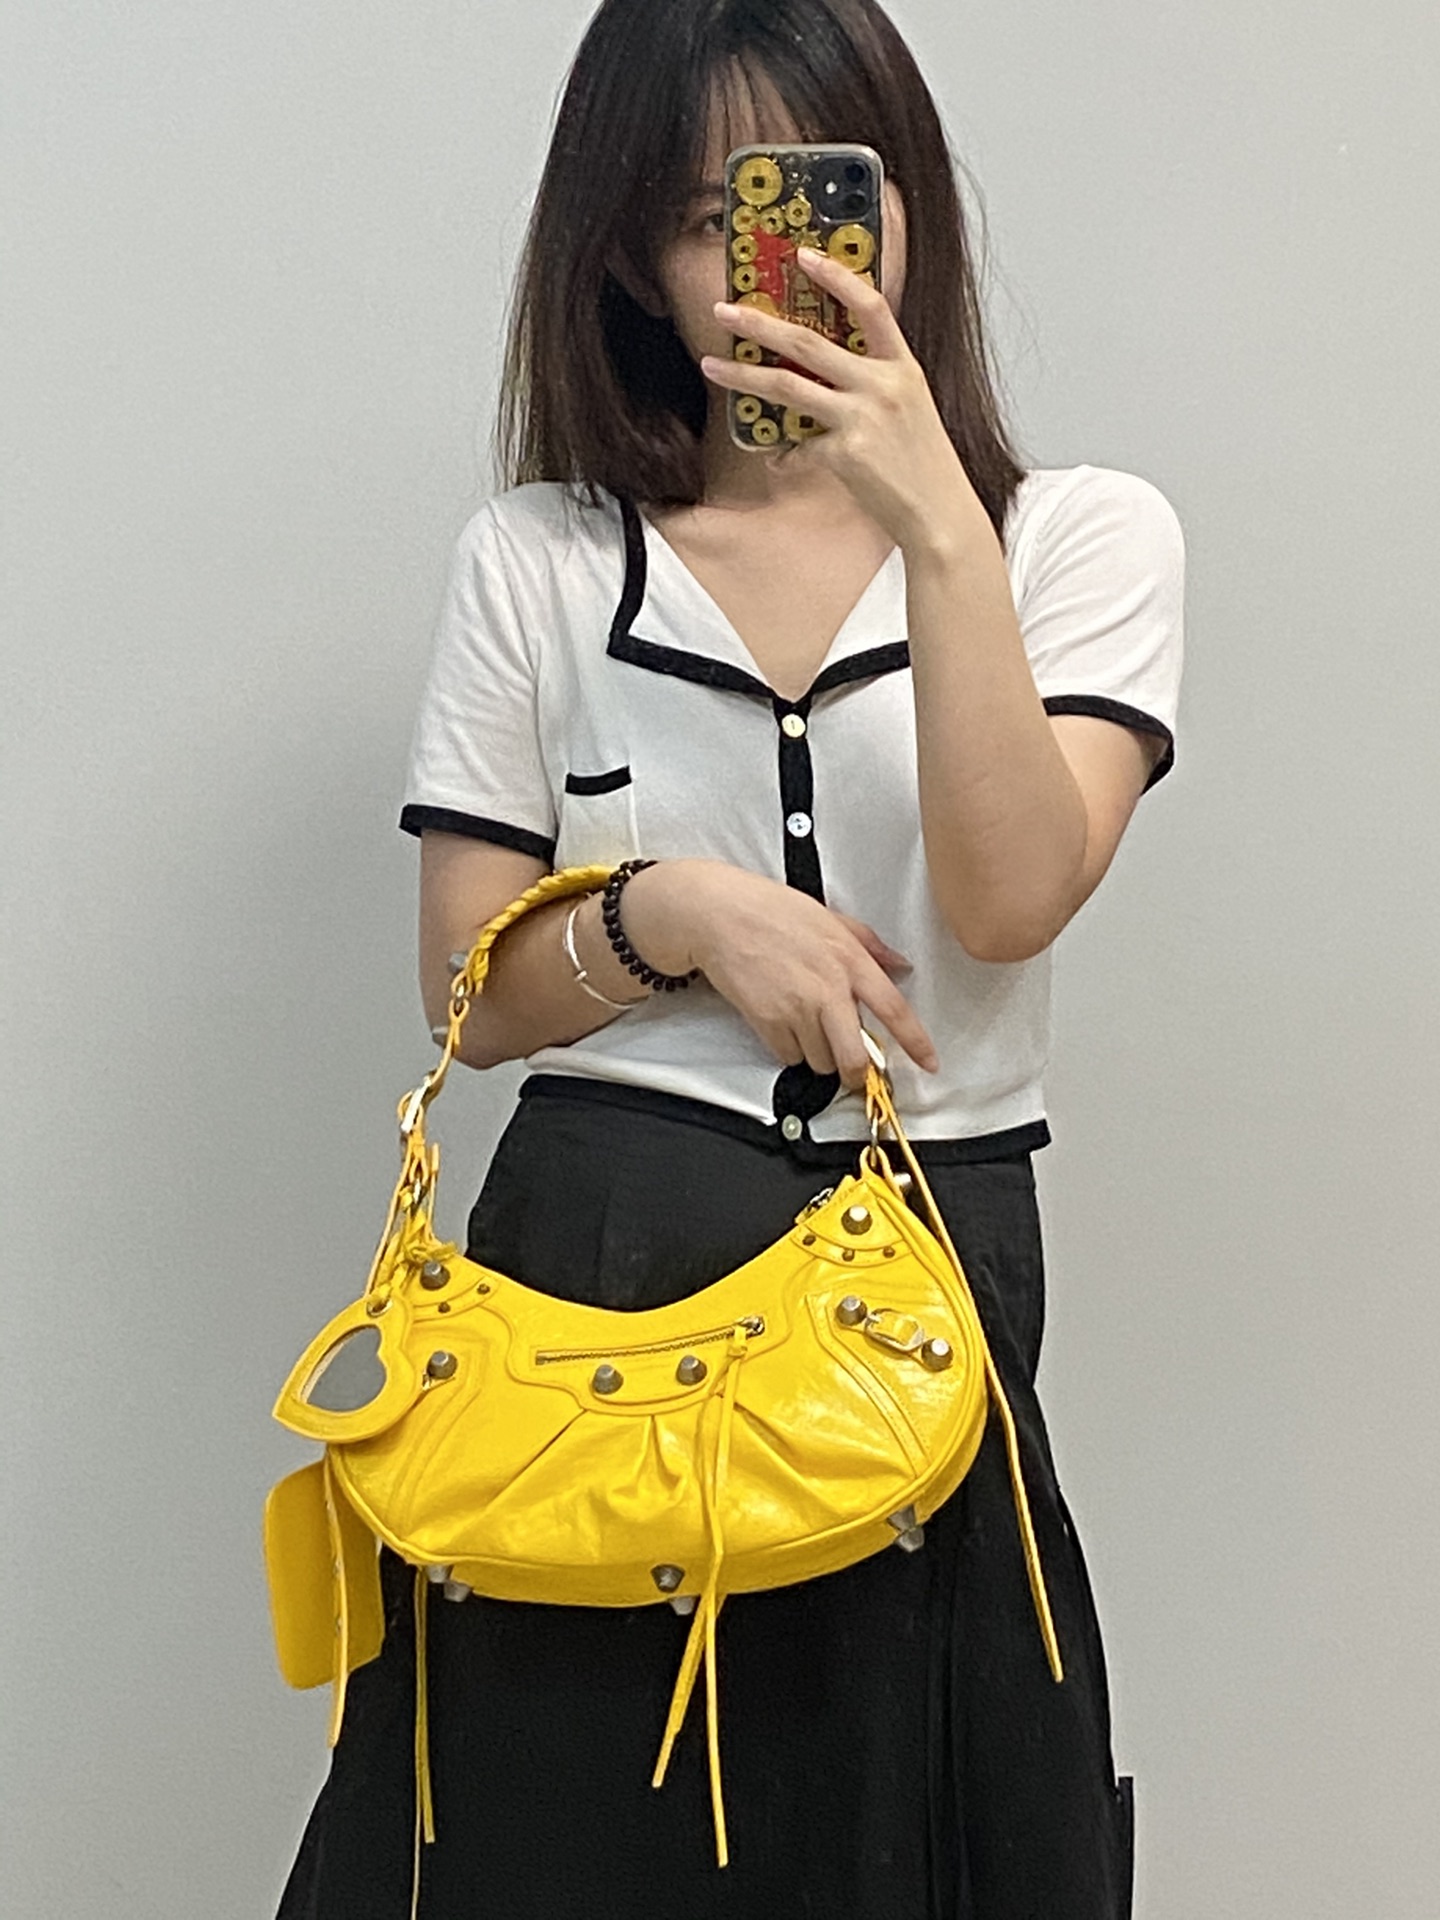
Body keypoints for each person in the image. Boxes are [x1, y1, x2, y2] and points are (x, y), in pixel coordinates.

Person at [275, 1, 1184, 1914]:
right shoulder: (540, 557)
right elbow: (465, 997)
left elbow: (1012, 899)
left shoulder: (1076, 540)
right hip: (599, 1263)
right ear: (629, 258)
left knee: (910, 1825)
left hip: (923, 1268)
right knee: (559, 1835)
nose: (785, 264)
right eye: (712, 218)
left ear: (910, 203)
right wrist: (666, 914)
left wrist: (936, 525)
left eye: (831, 195)